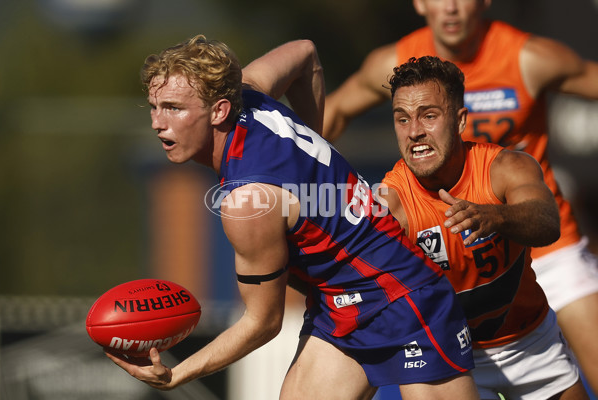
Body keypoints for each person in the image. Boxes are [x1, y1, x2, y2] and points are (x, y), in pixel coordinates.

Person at [103, 35, 480, 399]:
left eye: (173, 108)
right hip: (339, 307)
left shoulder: (248, 201)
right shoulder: (250, 92)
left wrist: (176, 374)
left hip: (404, 300)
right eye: (154, 107)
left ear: (219, 110)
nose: (157, 122)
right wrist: (313, 142)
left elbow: (263, 323)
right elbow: (304, 52)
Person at [323, 0, 598, 394]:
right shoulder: (395, 67)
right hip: (452, 252)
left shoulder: (528, 58)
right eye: (405, 119)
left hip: (541, 241)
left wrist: (496, 216)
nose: (450, 9)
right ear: (419, 4)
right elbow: (331, 116)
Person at [377, 55, 589, 399]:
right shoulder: (390, 201)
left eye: (429, 116)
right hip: (449, 356)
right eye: (402, 119)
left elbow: (548, 223)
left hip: (532, 342)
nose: (414, 131)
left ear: (460, 120)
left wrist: (494, 217)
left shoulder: (506, 166)